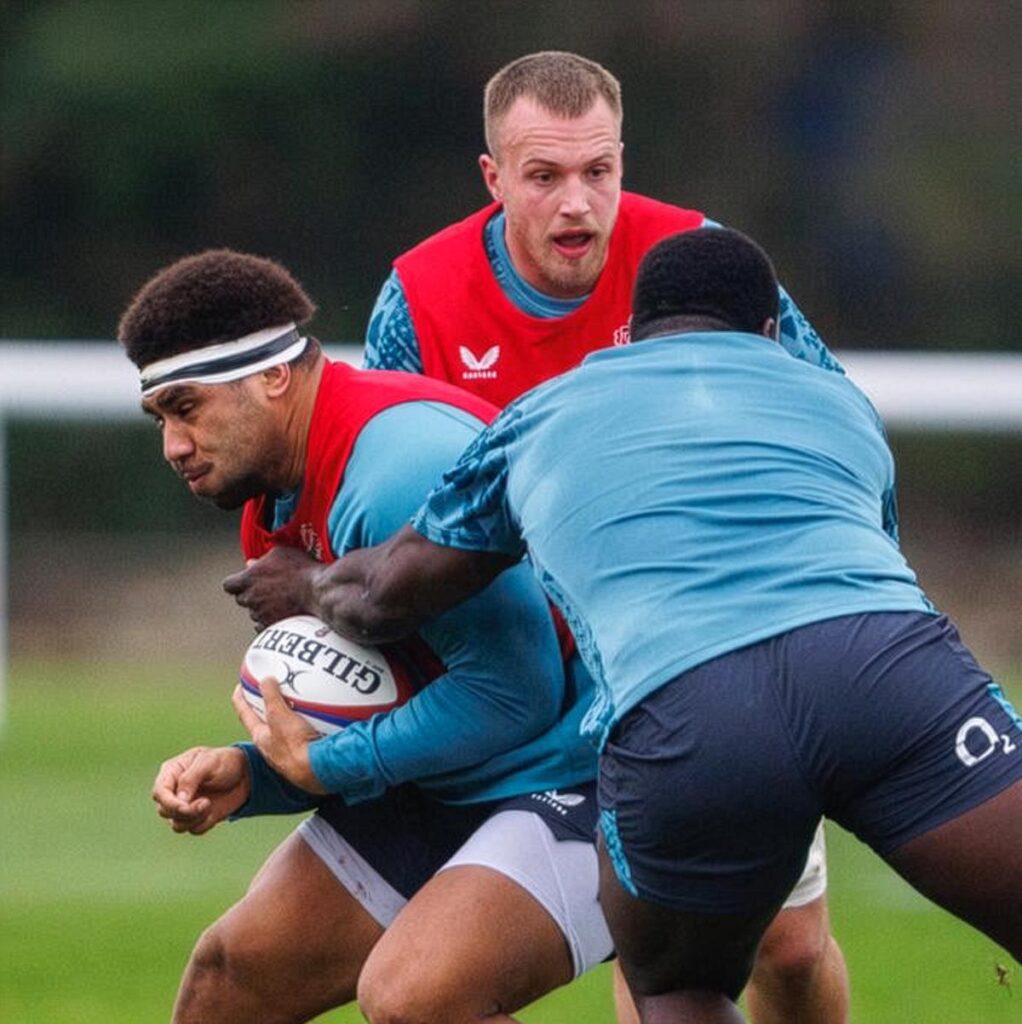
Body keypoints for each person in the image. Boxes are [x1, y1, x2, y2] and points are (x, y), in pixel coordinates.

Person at [300, 227, 1022, 1023]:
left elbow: (389, 594)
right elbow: (874, 556)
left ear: (635, 333)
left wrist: (306, 584)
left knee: (680, 989)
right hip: (889, 673)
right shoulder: (837, 399)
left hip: (686, 709)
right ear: (773, 334)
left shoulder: (541, 412)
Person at [364, 49, 847, 1023]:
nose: (577, 202)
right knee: (646, 960)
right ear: (494, 178)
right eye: (543, 176)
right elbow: (395, 497)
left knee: (788, 949)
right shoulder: (417, 302)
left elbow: (822, 418)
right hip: (532, 682)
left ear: (622, 159)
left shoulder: (697, 260)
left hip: (708, 652)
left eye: (598, 171)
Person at [117, 248, 614, 1024]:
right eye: (161, 419)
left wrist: (321, 763)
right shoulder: (269, 498)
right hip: (464, 772)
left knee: (416, 997)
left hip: (590, 768)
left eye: (188, 409)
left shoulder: (391, 473)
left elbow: (516, 694)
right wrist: (256, 775)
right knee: (228, 982)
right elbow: (394, 697)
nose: (173, 447)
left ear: (274, 376)